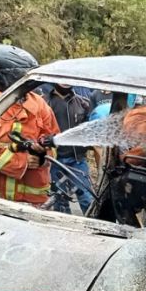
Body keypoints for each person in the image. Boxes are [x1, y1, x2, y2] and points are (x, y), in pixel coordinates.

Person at [0, 44, 60, 204]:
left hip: (33, 199)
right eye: (19, 76)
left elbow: (54, 141)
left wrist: (43, 157)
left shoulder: (40, 105)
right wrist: (22, 162)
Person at [43, 84, 94, 214]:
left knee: (86, 198)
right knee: (59, 201)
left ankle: (95, 228)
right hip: (54, 161)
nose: (64, 83)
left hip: (77, 161)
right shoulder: (44, 102)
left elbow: (90, 130)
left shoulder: (84, 103)